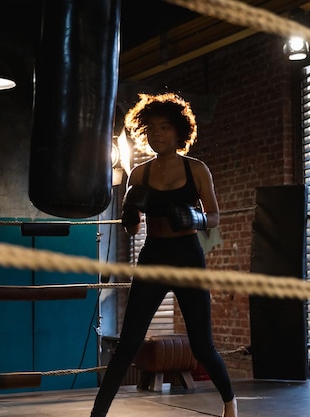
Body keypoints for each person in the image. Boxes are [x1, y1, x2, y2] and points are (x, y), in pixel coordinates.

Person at [90, 93, 238, 417]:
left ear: (179, 132)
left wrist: (195, 218)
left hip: (187, 256)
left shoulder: (197, 170)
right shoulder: (139, 174)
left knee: (201, 345)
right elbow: (132, 227)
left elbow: (214, 216)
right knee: (128, 344)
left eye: (165, 128)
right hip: (154, 256)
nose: (158, 134)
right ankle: (97, 413)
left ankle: (229, 400)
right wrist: (130, 219)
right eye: (153, 129)